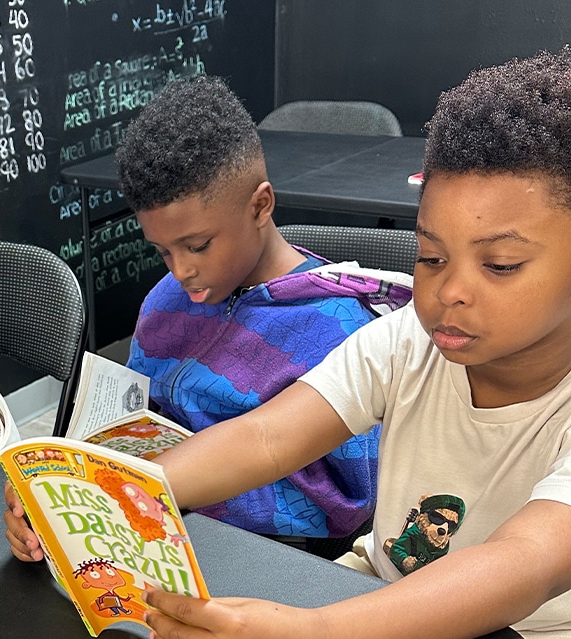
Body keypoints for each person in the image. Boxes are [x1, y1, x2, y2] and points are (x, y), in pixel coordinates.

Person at [67, 50, 570, 639]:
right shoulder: (407, 343)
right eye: (428, 255)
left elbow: (526, 564)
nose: (448, 290)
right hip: (381, 582)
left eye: (499, 262)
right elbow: (266, 438)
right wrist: (114, 489)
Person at [115, 75, 413, 540]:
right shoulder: (165, 302)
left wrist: (181, 490)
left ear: (261, 206)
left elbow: (342, 507)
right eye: (163, 251)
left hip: (256, 555)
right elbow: (132, 413)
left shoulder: (339, 334)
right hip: (148, 512)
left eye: (197, 245)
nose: (181, 271)